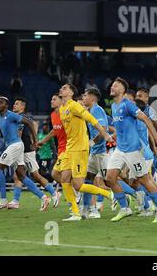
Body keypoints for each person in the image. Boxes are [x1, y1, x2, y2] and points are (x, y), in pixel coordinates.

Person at [105, 77, 157, 223]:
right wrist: (111, 137)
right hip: (120, 150)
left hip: (133, 150)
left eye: (115, 85)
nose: (112, 87)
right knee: (110, 178)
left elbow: (145, 118)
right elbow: (121, 128)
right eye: (112, 85)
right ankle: (125, 208)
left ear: (122, 90)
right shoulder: (114, 106)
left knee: (144, 180)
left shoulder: (128, 105)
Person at [58, 83, 114, 222]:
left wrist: (105, 135)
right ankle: (76, 213)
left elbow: (91, 119)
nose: (61, 89)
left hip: (80, 148)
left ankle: (107, 193)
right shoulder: (62, 109)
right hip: (70, 148)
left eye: (65, 88)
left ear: (71, 93)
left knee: (78, 184)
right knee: (64, 179)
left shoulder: (74, 105)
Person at [0, 97, 50, 210]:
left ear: (6, 105)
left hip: (16, 145)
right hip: (13, 146)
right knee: (21, 176)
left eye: (1, 102)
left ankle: (3, 200)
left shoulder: (11, 115)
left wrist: (35, 139)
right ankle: (43, 197)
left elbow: (29, 122)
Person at [8, 98, 59, 209]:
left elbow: (20, 133)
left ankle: (53, 193)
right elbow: (34, 124)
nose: (14, 105)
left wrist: (33, 142)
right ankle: (16, 201)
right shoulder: (20, 118)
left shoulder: (22, 118)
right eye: (14, 103)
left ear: (22, 107)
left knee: (36, 176)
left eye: (16, 104)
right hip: (22, 150)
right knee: (17, 176)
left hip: (26, 151)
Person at [81, 87, 113, 219]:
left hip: (100, 153)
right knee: (88, 179)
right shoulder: (90, 111)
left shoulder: (98, 110)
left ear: (92, 98)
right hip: (95, 153)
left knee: (111, 181)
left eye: (85, 95)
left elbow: (103, 130)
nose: (83, 97)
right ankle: (89, 209)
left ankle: (129, 199)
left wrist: (90, 143)